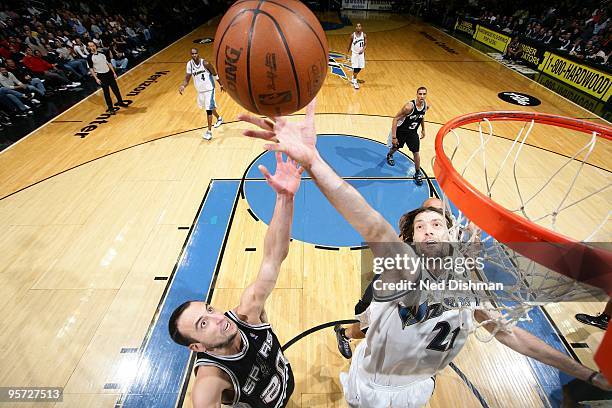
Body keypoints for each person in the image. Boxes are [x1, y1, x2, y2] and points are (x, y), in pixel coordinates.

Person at [239, 99, 612, 408]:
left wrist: (588, 373)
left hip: (419, 387)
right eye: (420, 227)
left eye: (436, 224)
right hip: (375, 389)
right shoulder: (406, 268)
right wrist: (313, 162)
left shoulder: (470, 285)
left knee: (374, 322)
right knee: (371, 319)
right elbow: (372, 225)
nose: (428, 228)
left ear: (453, 233)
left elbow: (512, 336)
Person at [168, 152, 299, 407]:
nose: (218, 317)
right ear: (197, 348)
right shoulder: (211, 379)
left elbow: (273, 256)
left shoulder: (249, 312)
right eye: (203, 324)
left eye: (210, 310)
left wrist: (285, 198)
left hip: (285, 383)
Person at [386, 87, 430, 186]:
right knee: (395, 147)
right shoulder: (408, 107)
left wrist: (423, 129)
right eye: (420, 94)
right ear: (416, 94)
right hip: (401, 131)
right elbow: (395, 119)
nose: (422, 96)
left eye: (424, 94)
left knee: (416, 152)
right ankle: (389, 154)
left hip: (412, 133)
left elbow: (422, 116)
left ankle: (418, 172)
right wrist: (394, 137)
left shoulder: (425, 106)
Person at [179, 48, 224, 140]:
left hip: (209, 90)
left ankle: (209, 132)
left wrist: (221, 84)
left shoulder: (205, 63)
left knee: (208, 109)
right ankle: (219, 118)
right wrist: (183, 86)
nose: (194, 55)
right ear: (190, 55)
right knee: (210, 108)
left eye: (195, 53)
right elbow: (187, 79)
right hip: (200, 91)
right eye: (192, 54)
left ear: (198, 54)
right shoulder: (189, 64)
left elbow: (215, 74)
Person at [86, 41, 128, 114]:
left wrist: (114, 72)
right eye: (90, 46)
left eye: (93, 45)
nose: (92, 47)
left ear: (95, 46)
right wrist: (96, 78)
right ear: (89, 48)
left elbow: (108, 63)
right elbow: (91, 69)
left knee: (116, 89)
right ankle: (110, 108)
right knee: (106, 93)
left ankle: (120, 102)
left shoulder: (102, 54)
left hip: (109, 74)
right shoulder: (89, 57)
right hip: (101, 76)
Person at [347, 23, 366, 90]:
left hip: (361, 54)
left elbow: (365, 44)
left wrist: (363, 50)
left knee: (360, 67)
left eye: (359, 26)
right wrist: (347, 51)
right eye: (357, 26)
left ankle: (353, 77)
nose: (358, 27)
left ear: (361, 27)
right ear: (356, 28)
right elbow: (349, 44)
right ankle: (355, 81)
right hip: (354, 54)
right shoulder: (353, 35)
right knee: (355, 67)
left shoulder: (364, 35)